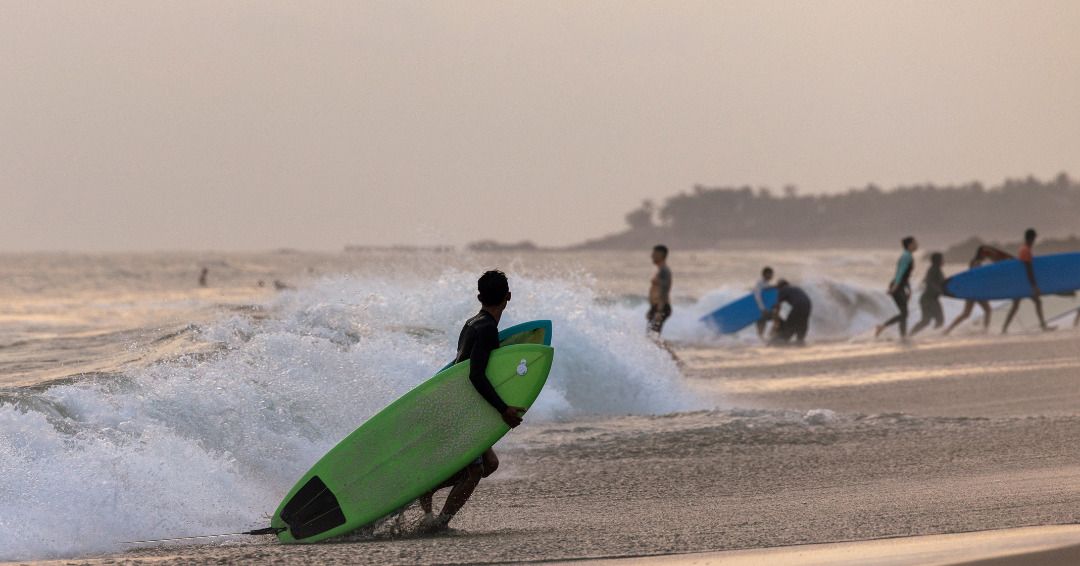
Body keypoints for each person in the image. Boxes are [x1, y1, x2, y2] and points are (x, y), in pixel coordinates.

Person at [418, 270, 527, 532]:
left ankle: (428, 488)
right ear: (508, 297)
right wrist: (504, 410)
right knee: (474, 471)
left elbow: (460, 367)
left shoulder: (472, 322)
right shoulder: (487, 328)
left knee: (490, 464)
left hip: (458, 401)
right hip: (463, 406)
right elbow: (475, 375)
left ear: (479, 297)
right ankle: (440, 523)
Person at [943, 245, 1012, 335]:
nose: (986, 255)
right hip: (975, 291)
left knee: (967, 313)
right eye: (985, 253)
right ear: (981, 253)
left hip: (972, 290)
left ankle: (948, 330)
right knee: (984, 310)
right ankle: (985, 330)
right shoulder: (977, 262)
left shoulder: (976, 262)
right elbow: (977, 275)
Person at [1002, 228, 1051, 334]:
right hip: (1024, 284)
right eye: (1034, 238)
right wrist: (1034, 286)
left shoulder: (1023, 249)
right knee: (1037, 302)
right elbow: (1028, 270)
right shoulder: (1026, 251)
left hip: (1020, 283)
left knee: (1016, 306)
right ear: (1031, 238)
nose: (1034, 241)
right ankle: (1043, 326)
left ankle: (1004, 329)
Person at [876, 236, 918, 340]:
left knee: (904, 313)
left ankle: (902, 336)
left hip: (901, 286)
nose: (917, 244)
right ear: (909, 245)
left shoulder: (909, 256)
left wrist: (908, 289)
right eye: (915, 243)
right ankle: (882, 326)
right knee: (904, 313)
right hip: (897, 285)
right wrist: (895, 287)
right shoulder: (906, 256)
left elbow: (906, 275)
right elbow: (900, 272)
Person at [910, 252, 946, 336]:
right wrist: (938, 290)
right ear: (938, 261)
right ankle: (910, 335)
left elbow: (940, 283)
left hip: (931, 299)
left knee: (928, 321)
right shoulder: (933, 269)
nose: (944, 261)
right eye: (942, 259)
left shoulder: (937, 269)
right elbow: (929, 282)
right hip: (928, 299)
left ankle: (910, 335)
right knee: (934, 320)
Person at [771, 279, 812, 345]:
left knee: (789, 327)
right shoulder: (795, 288)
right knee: (802, 323)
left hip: (797, 305)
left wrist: (775, 323)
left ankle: (782, 341)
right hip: (808, 304)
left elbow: (777, 307)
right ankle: (800, 340)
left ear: (780, 287)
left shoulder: (783, 290)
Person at [646, 244, 673, 336]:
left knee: (652, 337)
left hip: (661, 307)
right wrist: (652, 309)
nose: (652, 256)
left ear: (660, 255)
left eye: (654, 254)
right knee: (652, 337)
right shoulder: (661, 270)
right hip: (657, 307)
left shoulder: (664, 271)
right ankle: (665, 350)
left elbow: (664, 290)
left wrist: (659, 311)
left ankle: (668, 351)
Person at [754, 267, 775, 340]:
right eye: (770, 274)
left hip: (764, 309)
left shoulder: (765, 283)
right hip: (759, 309)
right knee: (761, 324)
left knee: (775, 319)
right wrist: (762, 309)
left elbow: (767, 289)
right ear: (765, 274)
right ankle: (761, 338)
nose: (772, 276)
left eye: (772, 274)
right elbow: (757, 297)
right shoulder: (760, 283)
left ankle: (768, 336)